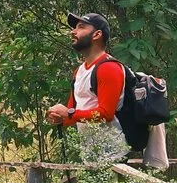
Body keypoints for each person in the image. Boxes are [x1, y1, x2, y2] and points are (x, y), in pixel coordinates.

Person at [44, 12, 131, 165]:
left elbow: (105, 114)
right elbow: (73, 112)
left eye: (81, 27)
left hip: (113, 156)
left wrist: (69, 113)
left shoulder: (109, 68)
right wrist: (59, 117)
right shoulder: (79, 71)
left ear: (97, 34)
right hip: (89, 155)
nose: (73, 31)